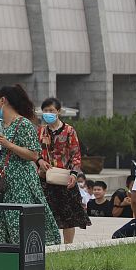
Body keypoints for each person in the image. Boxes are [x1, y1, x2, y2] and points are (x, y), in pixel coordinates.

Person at [0, 85, 60, 246]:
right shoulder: (0, 125)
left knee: (18, 224)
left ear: (3, 100)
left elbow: (33, 154)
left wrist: (9, 145)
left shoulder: (23, 124)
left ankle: (27, 254)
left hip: (19, 183)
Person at [37, 97, 90, 244]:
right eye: (45, 111)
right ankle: (49, 244)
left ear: (58, 111)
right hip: (45, 179)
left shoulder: (69, 131)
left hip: (65, 178)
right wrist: (39, 163)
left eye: (51, 110)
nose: (48, 113)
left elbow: (76, 154)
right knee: (46, 215)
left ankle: (68, 247)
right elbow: (34, 153)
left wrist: (74, 174)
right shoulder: (40, 131)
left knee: (68, 217)